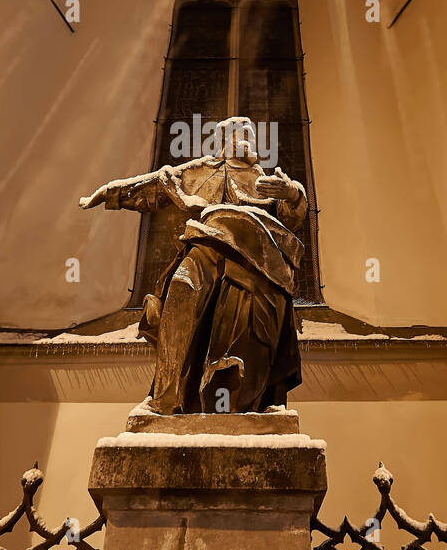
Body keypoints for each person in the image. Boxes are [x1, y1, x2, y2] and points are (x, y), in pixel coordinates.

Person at [79, 116, 306, 415]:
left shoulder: (263, 181)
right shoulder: (202, 171)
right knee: (180, 289)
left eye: (249, 133)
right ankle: (165, 396)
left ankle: (249, 405)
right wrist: (112, 193)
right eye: (238, 132)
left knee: (247, 324)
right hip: (206, 247)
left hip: (256, 262)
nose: (245, 138)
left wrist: (292, 193)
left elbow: (291, 219)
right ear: (222, 140)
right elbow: (158, 185)